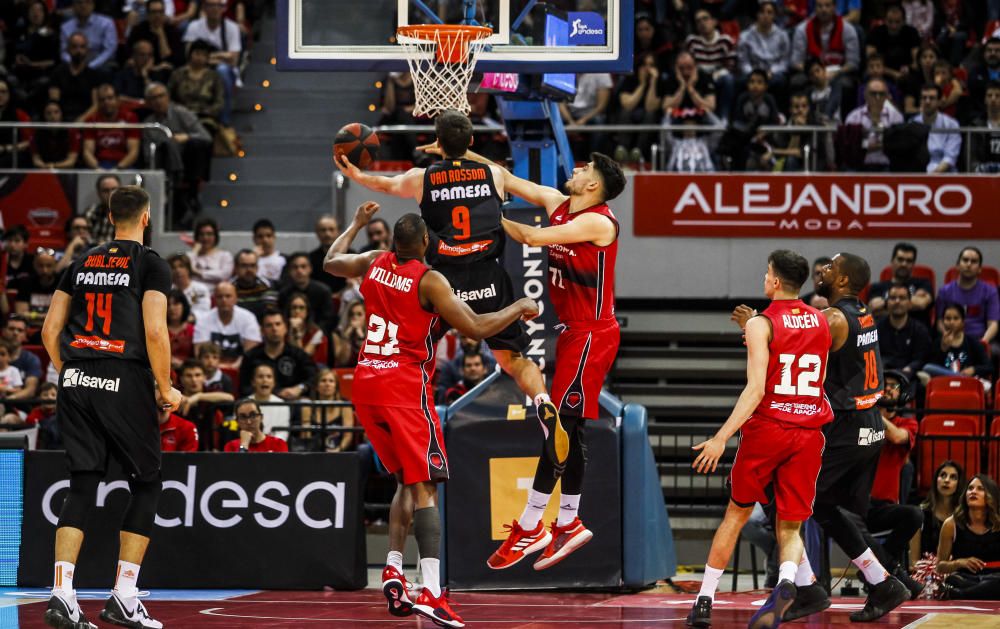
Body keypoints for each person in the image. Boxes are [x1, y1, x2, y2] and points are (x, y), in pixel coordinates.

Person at [324, 203, 539, 628]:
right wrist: (519, 307)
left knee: (407, 478)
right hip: (404, 388)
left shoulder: (373, 261)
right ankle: (434, 591)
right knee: (428, 489)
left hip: (366, 383)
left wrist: (356, 225)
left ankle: (391, 568)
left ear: (392, 242)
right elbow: (477, 327)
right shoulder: (429, 279)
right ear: (425, 243)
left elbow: (330, 261)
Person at [335, 110, 565, 498]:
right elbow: (530, 191)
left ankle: (406, 414)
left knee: (412, 346)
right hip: (489, 275)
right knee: (513, 359)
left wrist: (355, 175)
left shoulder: (421, 178)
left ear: (436, 143)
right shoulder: (493, 174)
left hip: (441, 282)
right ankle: (541, 400)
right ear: (473, 143)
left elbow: (383, 184)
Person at [39, 184, 181, 629]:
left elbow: (49, 330)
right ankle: (124, 594)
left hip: (76, 377)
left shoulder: (81, 261)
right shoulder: (150, 263)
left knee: (82, 484)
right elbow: (156, 332)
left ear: (107, 215)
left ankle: (62, 594)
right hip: (123, 376)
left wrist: (73, 370)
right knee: (146, 482)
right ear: (146, 218)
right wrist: (166, 387)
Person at [477, 153, 625, 573]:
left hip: (593, 333)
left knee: (561, 428)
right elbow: (504, 175)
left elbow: (529, 237)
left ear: (594, 186)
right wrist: (460, 156)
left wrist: (481, 218)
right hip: (573, 333)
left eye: (585, 170)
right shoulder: (557, 201)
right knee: (568, 430)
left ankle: (531, 526)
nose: (576, 170)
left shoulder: (599, 221)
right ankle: (567, 523)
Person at [743, 253, 909, 623]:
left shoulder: (833, 319)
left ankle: (809, 588)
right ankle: (881, 582)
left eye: (831, 268)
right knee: (823, 506)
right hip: (869, 426)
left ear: (846, 280)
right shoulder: (862, 313)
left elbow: (789, 346)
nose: (823, 271)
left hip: (848, 426)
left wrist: (755, 327)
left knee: (773, 488)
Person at [687, 251, 833, 629]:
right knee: (790, 525)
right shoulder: (821, 321)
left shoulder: (762, 323)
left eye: (767, 272)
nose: (764, 278)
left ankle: (704, 601)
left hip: (769, 429)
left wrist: (721, 437)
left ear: (775, 281)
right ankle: (786, 582)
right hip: (808, 431)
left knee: (735, 516)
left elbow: (755, 390)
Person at [864, 369, 923, 597]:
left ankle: (878, 568)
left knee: (915, 515)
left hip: (885, 507)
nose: (888, 388)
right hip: (860, 504)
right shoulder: (861, 421)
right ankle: (893, 570)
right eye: (884, 384)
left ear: (903, 394)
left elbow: (898, 437)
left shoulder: (908, 423)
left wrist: (870, 410)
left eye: (894, 386)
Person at [790, 0, 861, 119]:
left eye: (827, 5)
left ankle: (842, 122)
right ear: (815, 8)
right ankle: (802, 119)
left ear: (834, 7)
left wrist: (836, 72)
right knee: (797, 81)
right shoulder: (802, 29)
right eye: (820, 6)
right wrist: (814, 73)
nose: (824, 9)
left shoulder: (847, 29)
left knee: (846, 85)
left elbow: (853, 62)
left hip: (838, 73)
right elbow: (796, 62)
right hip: (811, 72)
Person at [935, 475, 1000, 600]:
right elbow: (940, 567)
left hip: (995, 576)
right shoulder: (951, 524)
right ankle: (974, 589)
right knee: (953, 579)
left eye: (980, 489)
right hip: (965, 577)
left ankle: (958, 594)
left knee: (995, 582)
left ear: (991, 496)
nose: (973, 492)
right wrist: (959, 562)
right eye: (970, 488)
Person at [182, 0, 241, 126]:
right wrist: (221, 55)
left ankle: (224, 121)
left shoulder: (232, 27)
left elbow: (233, 58)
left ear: (224, 8)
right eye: (211, 5)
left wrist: (207, 57)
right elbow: (189, 53)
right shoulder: (194, 26)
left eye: (218, 5)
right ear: (204, 7)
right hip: (197, 66)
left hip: (223, 68)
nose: (215, 9)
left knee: (222, 71)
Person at [239, 309, 316, 399]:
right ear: (262, 331)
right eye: (269, 325)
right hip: (261, 403)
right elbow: (245, 387)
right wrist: (273, 394)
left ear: (285, 328)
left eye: (278, 324)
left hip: (293, 403)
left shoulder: (298, 355)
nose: (274, 329)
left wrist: (299, 388)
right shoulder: (250, 357)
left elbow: (313, 378)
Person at [920, 304, 994, 390]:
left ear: (963, 322)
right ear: (943, 321)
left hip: (966, 387)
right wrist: (943, 349)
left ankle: (964, 379)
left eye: (956, 318)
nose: (951, 322)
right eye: (948, 318)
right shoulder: (937, 342)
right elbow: (930, 368)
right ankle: (962, 377)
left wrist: (974, 369)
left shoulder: (972, 342)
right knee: (927, 368)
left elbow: (989, 366)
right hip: (944, 384)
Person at [936, 247, 999, 347]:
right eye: (965, 260)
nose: (969, 264)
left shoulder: (990, 292)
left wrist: (983, 342)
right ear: (958, 265)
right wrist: (947, 338)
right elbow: (939, 322)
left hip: (979, 340)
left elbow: (993, 324)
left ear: (979, 269)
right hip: (951, 340)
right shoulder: (944, 291)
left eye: (974, 261)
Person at [684, 9, 736, 121]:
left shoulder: (725, 40)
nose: (702, 23)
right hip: (700, 78)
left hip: (719, 76)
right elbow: (688, 65)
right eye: (698, 21)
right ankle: (702, 117)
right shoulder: (692, 41)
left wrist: (714, 75)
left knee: (729, 79)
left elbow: (731, 66)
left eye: (705, 19)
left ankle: (724, 117)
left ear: (714, 21)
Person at [192, 281, 261, 366]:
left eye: (228, 296)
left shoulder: (248, 318)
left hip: (242, 368)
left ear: (236, 298)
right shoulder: (203, 319)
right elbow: (200, 352)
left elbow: (251, 351)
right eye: (219, 297)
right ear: (214, 299)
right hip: (210, 369)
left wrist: (233, 367)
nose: (224, 300)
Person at [844, 78, 904, 171]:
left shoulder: (896, 116)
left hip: (887, 167)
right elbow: (851, 147)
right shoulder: (854, 116)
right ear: (865, 95)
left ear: (887, 96)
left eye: (881, 94)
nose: (877, 97)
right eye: (873, 93)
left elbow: (896, 146)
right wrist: (881, 145)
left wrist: (865, 145)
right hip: (859, 167)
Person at [867, 242, 934, 325]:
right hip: (885, 334)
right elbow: (874, 307)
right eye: (900, 259)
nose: (904, 264)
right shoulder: (878, 287)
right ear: (892, 261)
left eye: (909, 261)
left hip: (918, 334)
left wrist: (886, 304)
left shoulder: (923, 283)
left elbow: (921, 303)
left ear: (913, 264)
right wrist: (910, 303)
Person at [876, 283, 931, 382]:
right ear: (887, 303)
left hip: (909, 376)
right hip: (881, 375)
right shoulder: (876, 328)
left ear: (910, 303)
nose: (897, 301)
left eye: (902, 298)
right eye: (893, 298)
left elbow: (921, 358)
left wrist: (909, 369)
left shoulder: (919, 330)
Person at [911, 460, 964, 563]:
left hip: (956, 573)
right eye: (943, 475)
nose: (947, 480)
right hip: (925, 573)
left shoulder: (962, 517)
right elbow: (913, 562)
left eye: (953, 477)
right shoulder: (920, 514)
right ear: (936, 480)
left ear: (959, 484)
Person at [167, 39, 225, 131]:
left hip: (205, 117)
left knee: (206, 129)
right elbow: (168, 97)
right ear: (190, 54)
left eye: (204, 55)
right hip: (181, 115)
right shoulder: (177, 74)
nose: (200, 58)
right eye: (197, 54)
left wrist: (206, 112)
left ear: (207, 58)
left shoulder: (214, 77)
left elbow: (219, 101)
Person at [175, 358, 233, 450]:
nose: (194, 380)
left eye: (198, 375)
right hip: (180, 449)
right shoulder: (175, 394)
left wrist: (198, 396)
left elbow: (230, 398)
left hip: (208, 449)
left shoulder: (209, 392)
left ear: (204, 377)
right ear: (181, 378)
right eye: (189, 376)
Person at [82, 84, 142, 170]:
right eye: (102, 100)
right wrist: (98, 169)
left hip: (124, 165)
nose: (106, 102)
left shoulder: (130, 118)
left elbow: (133, 151)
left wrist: (118, 168)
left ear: (117, 100)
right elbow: (87, 152)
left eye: (110, 98)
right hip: (100, 164)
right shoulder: (91, 120)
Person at [737, 1, 790, 95]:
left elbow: (784, 62)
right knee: (740, 81)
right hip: (752, 73)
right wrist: (754, 74)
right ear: (757, 15)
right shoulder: (745, 36)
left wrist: (772, 72)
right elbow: (744, 62)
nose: (765, 16)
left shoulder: (782, 36)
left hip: (773, 74)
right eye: (762, 12)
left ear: (774, 16)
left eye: (769, 12)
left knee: (780, 80)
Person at [47, 32, 101, 122]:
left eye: (82, 47)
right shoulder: (58, 73)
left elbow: (95, 105)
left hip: (85, 121)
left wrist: (81, 120)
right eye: (74, 47)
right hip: (62, 121)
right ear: (68, 49)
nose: (78, 51)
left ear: (87, 50)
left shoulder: (93, 75)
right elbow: (54, 102)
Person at [278, 253, 336, 332]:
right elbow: (282, 318)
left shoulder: (323, 291)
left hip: (319, 335)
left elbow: (329, 319)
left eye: (303, 266)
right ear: (289, 270)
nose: (299, 271)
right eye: (295, 267)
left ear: (310, 269)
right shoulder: (284, 294)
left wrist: (314, 335)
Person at [865, 4, 921, 85]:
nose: (893, 26)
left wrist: (908, 69)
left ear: (904, 21)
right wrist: (893, 73)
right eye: (890, 21)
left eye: (897, 22)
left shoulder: (912, 33)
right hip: (881, 72)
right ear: (884, 20)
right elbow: (871, 61)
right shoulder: (876, 32)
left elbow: (917, 60)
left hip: (906, 73)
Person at [300, 368, 354, 452]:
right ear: (317, 387)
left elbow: (348, 436)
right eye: (323, 381)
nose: (327, 384)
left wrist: (338, 450)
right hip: (313, 452)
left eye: (331, 381)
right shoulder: (308, 406)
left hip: (339, 453)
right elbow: (305, 436)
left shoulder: (344, 406)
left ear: (336, 386)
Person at [912, 84, 961, 174]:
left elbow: (950, 157)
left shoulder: (951, 124)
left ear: (939, 101)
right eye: (924, 98)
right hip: (918, 173)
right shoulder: (912, 123)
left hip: (945, 173)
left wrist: (934, 175)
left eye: (931, 98)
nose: (927, 101)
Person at [59, 0, 117, 71]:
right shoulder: (65, 27)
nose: (83, 6)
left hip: (99, 64)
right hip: (74, 64)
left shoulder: (106, 23)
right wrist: (74, 64)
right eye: (79, 2)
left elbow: (109, 51)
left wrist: (90, 66)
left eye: (88, 2)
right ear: (73, 6)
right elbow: (63, 52)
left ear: (93, 5)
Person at [223, 397, 289, 452]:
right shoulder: (231, 447)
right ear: (237, 422)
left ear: (261, 417)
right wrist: (244, 445)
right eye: (243, 417)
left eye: (253, 415)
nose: (248, 422)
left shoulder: (278, 444)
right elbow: (237, 467)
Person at [15, 250, 58, 330]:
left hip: (54, 329)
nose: (44, 270)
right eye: (40, 266)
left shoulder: (61, 284)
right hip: (28, 329)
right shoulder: (26, 283)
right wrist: (46, 317)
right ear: (34, 265)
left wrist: (32, 316)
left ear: (55, 265)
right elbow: (20, 313)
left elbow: (62, 317)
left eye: (49, 266)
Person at [31, 101, 80, 170]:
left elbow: (71, 161)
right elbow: (36, 159)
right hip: (43, 170)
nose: (53, 116)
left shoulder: (71, 131)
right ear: (43, 116)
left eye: (56, 112)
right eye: (48, 113)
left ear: (62, 114)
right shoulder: (37, 132)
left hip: (65, 170)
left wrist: (53, 166)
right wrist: (45, 167)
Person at [186, 217, 234, 288]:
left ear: (215, 236)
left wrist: (197, 272)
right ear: (197, 237)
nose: (205, 238)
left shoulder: (225, 255)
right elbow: (186, 271)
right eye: (201, 234)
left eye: (209, 234)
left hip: (217, 295)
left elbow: (224, 275)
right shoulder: (190, 255)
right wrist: (195, 252)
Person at [231, 248, 277, 320]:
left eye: (252, 265)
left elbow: (269, 312)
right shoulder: (230, 287)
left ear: (257, 267)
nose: (249, 270)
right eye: (244, 266)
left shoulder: (267, 285)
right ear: (236, 268)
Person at [247, 363, 290, 438]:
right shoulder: (243, 404)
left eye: (269, 377)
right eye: (260, 376)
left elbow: (283, 434)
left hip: (274, 447)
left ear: (274, 382)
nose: (265, 380)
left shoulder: (282, 405)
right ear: (253, 382)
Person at [284, 291, 327, 364]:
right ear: (289, 311)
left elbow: (302, 358)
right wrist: (291, 330)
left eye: (301, 308)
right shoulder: (282, 329)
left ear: (307, 312)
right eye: (294, 308)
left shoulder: (317, 333)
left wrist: (296, 332)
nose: (297, 311)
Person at [309, 216, 348, 295]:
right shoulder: (310, 259)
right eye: (323, 230)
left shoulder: (351, 255)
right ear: (317, 233)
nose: (327, 234)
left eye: (331, 229)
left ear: (338, 232)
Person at [168, 253, 211, 321]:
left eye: (181, 266)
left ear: (188, 269)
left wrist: (185, 321)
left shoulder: (200, 289)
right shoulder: (167, 289)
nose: (177, 270)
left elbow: (204, 312)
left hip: (195, 325)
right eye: (173, 268)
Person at [82, 175, 119, 245]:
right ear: (99, 193)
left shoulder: (129, 214)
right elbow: (83, 238)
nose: (111, 194)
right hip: (94, 253)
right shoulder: (91, 212)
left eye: (114, 189)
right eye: (106, 191)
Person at [972, 81, 1000, 173]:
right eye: (989, 95)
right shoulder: (975, 126)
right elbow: (972, 160)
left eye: (997, 96)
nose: (993, 99)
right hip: (982, 177)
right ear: (985, 99)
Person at [331, 299, 365, 367]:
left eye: (359, 314)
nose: (355, 317)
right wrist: (346, 337)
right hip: (344, 371)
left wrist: (361, 336)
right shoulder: (338, 334)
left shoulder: (374, 334)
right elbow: (342, 361)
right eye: (351, 314)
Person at [167, 288, 194, 369]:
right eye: (168, 304)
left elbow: (197, 357)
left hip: (189, 372)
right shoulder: (159, 330)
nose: (171, 308)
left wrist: (184, 365)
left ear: (184, 306)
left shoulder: (193, 330)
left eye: (176, 304)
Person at [252, 219, 285, 283]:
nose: (265, 240)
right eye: (260, 236)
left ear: (274, 237)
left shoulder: (283, 259)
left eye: (269, 235)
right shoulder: (248, 260)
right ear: (254, 238)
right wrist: (254, 258)